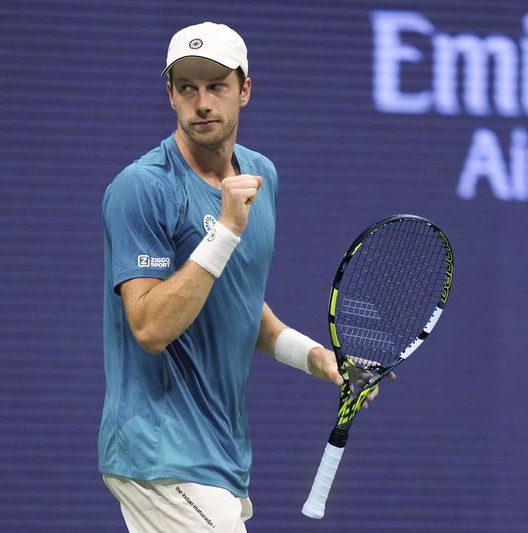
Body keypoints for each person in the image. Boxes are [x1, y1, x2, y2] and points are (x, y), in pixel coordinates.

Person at [98, 22, 379, 532]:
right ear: (171, 95)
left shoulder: (260, 177)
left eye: (216, 86)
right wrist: (226, 228)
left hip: (219, 456)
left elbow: (237, 305)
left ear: (244, 90)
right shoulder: (142, 188)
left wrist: (318, 359)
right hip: (162, 453)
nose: (202, 102)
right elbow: (149, 328)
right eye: (187, 88)